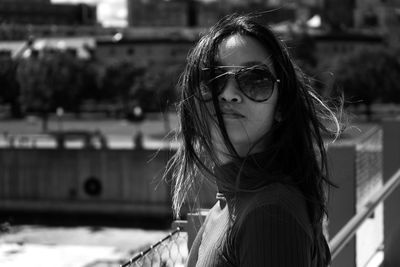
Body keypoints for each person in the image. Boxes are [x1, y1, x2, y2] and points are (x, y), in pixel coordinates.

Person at [167, 14, 341, 267]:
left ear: (281, 106)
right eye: (212, 79)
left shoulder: (270, 215)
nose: (228, 94)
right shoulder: (232, 203)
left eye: (255, 80)